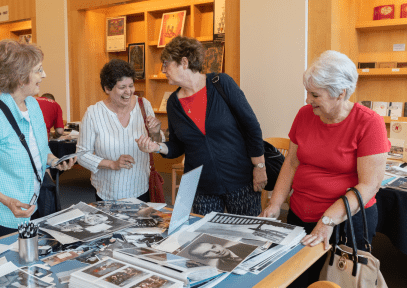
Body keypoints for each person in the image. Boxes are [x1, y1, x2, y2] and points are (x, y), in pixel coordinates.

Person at [259, 50, 390, 287]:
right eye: (308, 92)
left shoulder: (369, 123)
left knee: (335, 282)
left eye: (315, 94)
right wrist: (275, 203)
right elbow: (291, 162)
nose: (308, 99)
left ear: (340, 93)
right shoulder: (304, 114)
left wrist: (328, 220)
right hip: (301, 214)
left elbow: (370, 185)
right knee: (297, 278)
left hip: (347, 222)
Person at [0, 39, 76, 242]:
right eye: (39, 70)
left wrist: (54, 160)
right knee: (8, 267)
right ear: (21, 78)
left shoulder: (33, 106)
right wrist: (6, 201)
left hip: (30, 205)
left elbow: (39, 149)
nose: (44, 75)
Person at [136, 36, 267, 216]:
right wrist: (156, 146)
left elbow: (251, 126)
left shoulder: (221, 83)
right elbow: (177, 146)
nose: (163, 70)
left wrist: (260, 167)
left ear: (184, 62)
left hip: (240, 180)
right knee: (205, 238)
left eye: (166, 64)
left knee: (248, 235)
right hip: (202, 186)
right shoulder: (173, 103)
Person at [76, 59, 162, 201]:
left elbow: (157, 143)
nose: (128, 91)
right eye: (122, 87)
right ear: (107, 89)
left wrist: (156, 132)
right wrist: (111, 164)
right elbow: (81, 155)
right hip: (108, 193)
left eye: (131, 86)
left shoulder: (144, 105)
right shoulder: (93, 113)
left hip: (141, 188)